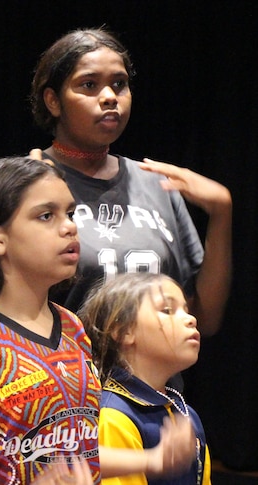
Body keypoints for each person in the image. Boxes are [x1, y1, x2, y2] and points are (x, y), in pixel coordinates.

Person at [0, 157, 195, 485]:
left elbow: (78, 449)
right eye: (46, 215)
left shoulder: (73, 328)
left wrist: (152, 458)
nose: (70, 227)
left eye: (70, 213)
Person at [28, 27, 232, 338]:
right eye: (89, 85)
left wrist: (221, 213)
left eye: (119, 84)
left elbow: (203, 319)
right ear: (53, 101)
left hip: (152, 385)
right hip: (68, 381)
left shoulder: (156, 184)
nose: (109, 97)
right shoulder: (28, 180)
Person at [80, 273, 211, 485]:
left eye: (186, 310)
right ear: (122, 331)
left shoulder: (185, 412)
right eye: (168, 310)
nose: (191, 318)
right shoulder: (114, 417)